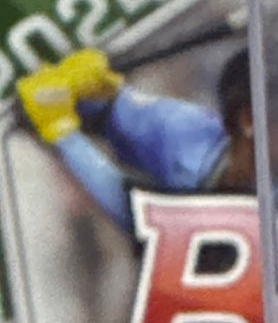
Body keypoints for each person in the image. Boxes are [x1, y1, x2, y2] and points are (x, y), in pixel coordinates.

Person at [14, 43, 256, 232]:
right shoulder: (190, 132)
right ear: (247, 119)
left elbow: (139, 217)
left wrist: (65, 135)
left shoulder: (273, 212)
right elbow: (114, 115)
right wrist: (98, 93)